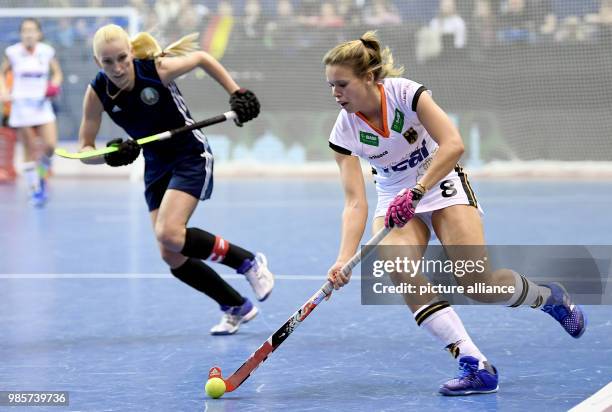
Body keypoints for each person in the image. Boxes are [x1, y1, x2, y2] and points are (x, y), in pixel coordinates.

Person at [323, 31, 586, 395]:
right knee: (399, 268)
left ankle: (547, 297)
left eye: (342, 84)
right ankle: (475, 363)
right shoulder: (344, 129)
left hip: (441, 182)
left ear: (368, 78)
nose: (335, 93)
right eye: (331, 86)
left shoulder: (405, 93)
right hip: (393, 196)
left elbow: (454, 144)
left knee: (478, 284)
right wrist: (342, 259)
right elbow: (354, 202)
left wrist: (417, 190)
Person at [77, 24, 274, 335]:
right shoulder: (97, 91)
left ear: (131, 53)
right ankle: (236, 306)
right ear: (97, 61)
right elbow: (85, 150)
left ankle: (247, 262)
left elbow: (201, 58)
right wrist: (110, 155)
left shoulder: (156, 70)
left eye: (122, 58)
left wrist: (237, 92)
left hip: (189, 155)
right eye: (107, 62)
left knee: (169, 232)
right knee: (170, 252)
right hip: (155, 164)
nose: (117, 68)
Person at [0, 18, 63, 207]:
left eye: (32, 30)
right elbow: (2, 73)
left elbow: (57, 72)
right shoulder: (13, 53)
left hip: (42, 105)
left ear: (39, 33)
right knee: (28, 150)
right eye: (25, 30)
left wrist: (54, 85)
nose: (28, 34)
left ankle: (42, 176)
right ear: (21, 34)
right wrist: (3, 90)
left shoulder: (46, 51)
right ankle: (34, 190)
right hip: (21, 106)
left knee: (50, 147)